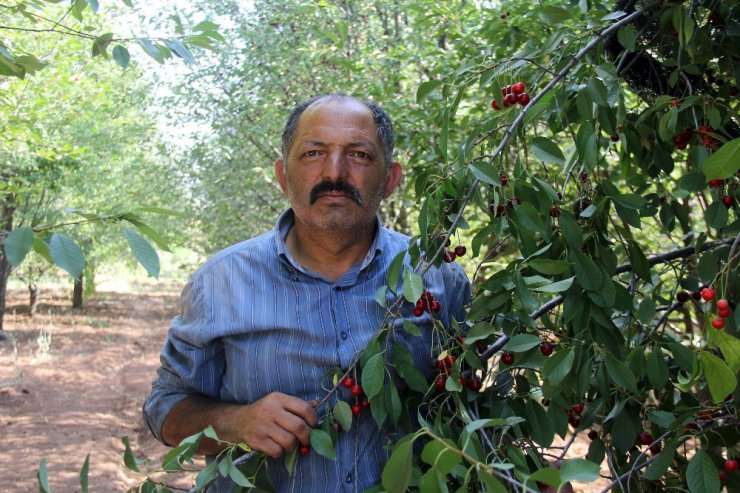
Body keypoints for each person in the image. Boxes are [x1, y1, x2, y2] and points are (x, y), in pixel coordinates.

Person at [143, 93, 471, 492]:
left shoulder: (438, 278)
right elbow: (165, 408)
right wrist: (235, 423)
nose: (335, 172)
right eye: (313, 153)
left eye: (360, 155)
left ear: (390, 179)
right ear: (283, 176)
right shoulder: (220, 283)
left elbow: (466, 408)